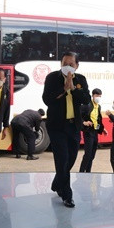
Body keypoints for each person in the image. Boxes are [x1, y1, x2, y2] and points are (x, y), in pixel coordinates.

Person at [42, 52, 90, 208]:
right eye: (64, 64)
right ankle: (67, 195)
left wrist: (73, 89)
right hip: (57, 126)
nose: (67, 67)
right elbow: (47, 99)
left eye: (71, 64)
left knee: (71, 158)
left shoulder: (81, 79)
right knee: (62, 159)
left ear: (77, 66)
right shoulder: (52, 78)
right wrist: (64, 89)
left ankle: (57, 183)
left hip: (73, 125)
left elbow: (86, 99)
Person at [79, 88, 107, 172]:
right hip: (88, 131)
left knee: (92, 154)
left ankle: (88, 171)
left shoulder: (98, 106)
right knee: (88, 154)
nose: (98, 97)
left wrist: (102, 129)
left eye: (100, 96)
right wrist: (84, 122)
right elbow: (78, 116)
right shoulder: (86, 105)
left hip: (95, 132)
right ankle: (81, 172)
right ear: (93, 95)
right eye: (97, 95)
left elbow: (98, 119)